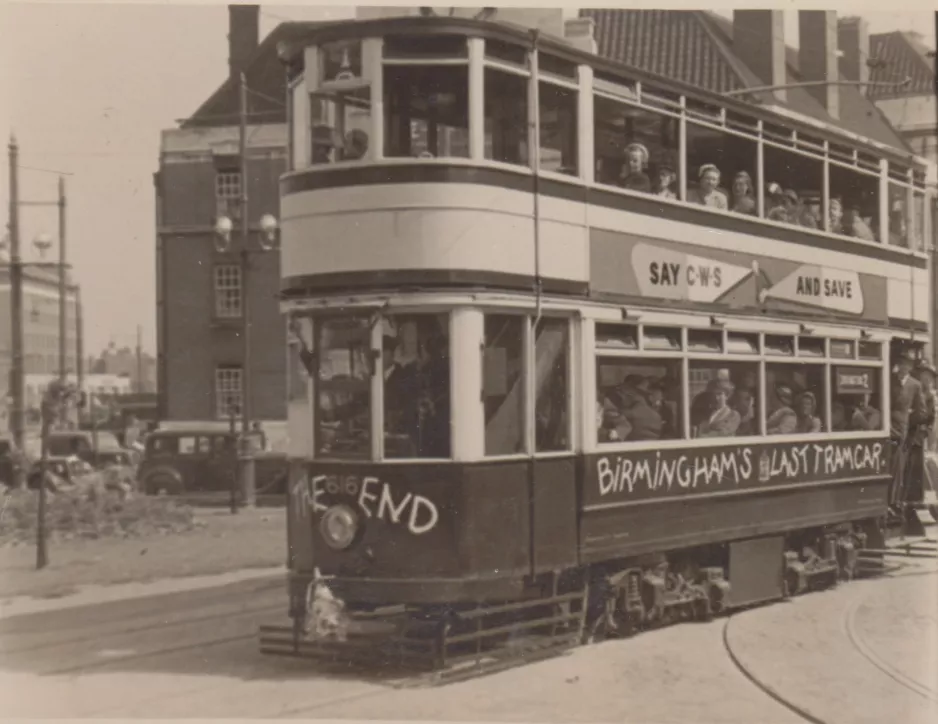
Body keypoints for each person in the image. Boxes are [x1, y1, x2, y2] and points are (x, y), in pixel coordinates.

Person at [889, 350, 928, 513]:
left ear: (911, 367)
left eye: (907, 364)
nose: (904, 367)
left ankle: (894, 501)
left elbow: (921, 411)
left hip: (902, 430)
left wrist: (910, 425)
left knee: (898, 465)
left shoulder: (915, 385)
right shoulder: (889, 381)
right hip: (888, 425)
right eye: (902, 363)